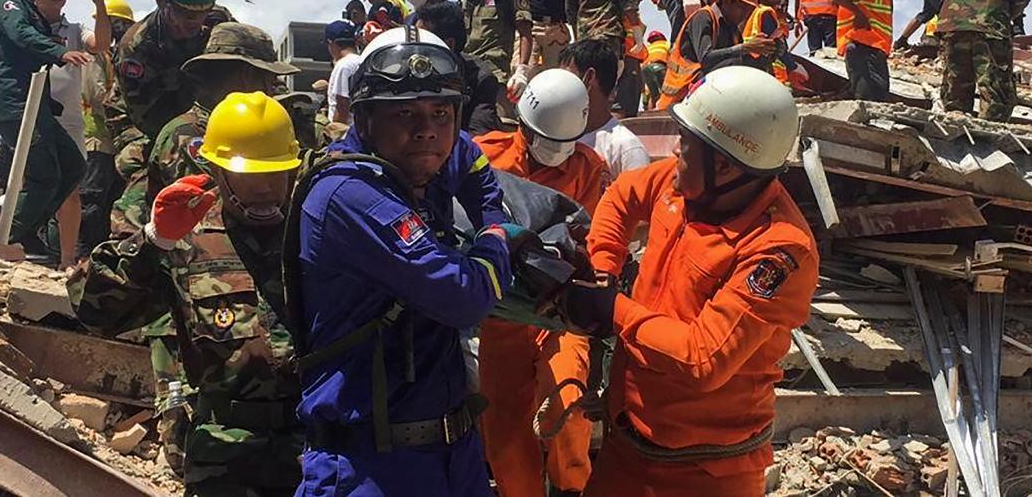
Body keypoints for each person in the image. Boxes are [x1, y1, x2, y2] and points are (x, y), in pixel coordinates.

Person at [566, 66, 819, 497]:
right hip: (626, 449)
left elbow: (702, 360)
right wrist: (603, 270)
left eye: (685, 144)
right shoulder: (686, 184)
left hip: (704, 474)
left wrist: (613, 309)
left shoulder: (779, 251)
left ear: (723, 164)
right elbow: (623, 195)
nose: (674, 152)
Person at [292, 26, 517, 496]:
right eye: (405, 113)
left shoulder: (417, 161)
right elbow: (464, 297)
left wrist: (488, 213)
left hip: (452, 457)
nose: (427, 129)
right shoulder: (352, 194)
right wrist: (496, 239)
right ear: (366, 119)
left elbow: (474, 168)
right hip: (373, 467)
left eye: (441, 111)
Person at [70, 91, 306, 496]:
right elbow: (94, 310)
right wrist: (153, 240)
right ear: (216, 170)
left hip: (315, 449)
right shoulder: (185, 238)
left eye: (276, 173)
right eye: (250, 175)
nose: (266, 188)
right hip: (225, 455)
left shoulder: (317, 230)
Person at [474, 69, 609, 497]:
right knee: (505, 434)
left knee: (568, 410)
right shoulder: (485, 159)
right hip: (504, 316)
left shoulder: (590, 170)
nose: (555, 154)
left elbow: (595, 241)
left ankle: (571, 489)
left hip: (562, 314)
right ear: (522, 124)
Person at [106, 0, 228, 236]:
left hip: (205, 122)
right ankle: (131, 249)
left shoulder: (219, 21)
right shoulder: (137, 47)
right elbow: (154, 124)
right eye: (187, 13)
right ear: (162, 0)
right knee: (145, 187)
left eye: (204, 11)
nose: (197, 22)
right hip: (142, 128)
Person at [0, 0, 92, 261]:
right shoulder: (8, 5)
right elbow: (21, 34)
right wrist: (59, 51)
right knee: (44, 174)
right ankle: (9, 237)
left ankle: (25, 232)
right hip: (15, 104)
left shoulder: (33, 8)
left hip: (37, 107)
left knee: (73, 166)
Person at [147, 21, 299, 201]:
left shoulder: (237, 127)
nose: (273, 90)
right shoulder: (190, 135)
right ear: (247, 76)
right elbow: (218, 207)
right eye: (269, 80)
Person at [35, 0, 110, 268]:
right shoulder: (25, 26)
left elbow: (102, 42)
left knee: (71, 191)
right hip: (32, 116)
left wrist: (100, 4)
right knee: (33, 184)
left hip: (69, 119)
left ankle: (66, 260)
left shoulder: (75, 29)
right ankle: (18, 246)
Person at [657, 0, 773, 109]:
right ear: (728, 1)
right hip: (682, 94)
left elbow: (742, 62)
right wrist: (745, 48)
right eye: (743, 9)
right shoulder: (703, 18)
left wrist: (770, 53)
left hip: (704, 91)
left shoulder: (732, 28)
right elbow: (706, 58)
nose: (746, 15)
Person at [79, 0, 134, 257]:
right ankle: (82, 251)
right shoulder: (95, 56)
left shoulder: (116, 58)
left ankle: (98, 251)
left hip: (113, 141)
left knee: (109, 201)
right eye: (118, 24)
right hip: (96, 139)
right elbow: (95, 94)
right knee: (92, 197)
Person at [559, 39, 651, 180]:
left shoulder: (625, 148)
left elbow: (638, 199)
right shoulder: (554, 138)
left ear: (589, 78)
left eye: (566, 77)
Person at [416, 0, 507, 136]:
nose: (414, 47)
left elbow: (479, 135)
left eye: (422, 40)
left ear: (449, 44)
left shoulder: (481, 79)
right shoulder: (407, 70)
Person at [749, 0, 793, 84]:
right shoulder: (765, 12)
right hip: (762, 69)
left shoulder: (770, 11)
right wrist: (793, 67)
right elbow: (778, 46)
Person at [324, 20, 361, 125]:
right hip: (359, 131)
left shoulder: (343, 66)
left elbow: (342, 106)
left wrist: (335, 136)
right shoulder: (363, 60)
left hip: (345, 134)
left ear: (332, 43)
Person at [642, 30, 670, 111]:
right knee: (666, 94)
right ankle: (664, 111)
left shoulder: (648, 48)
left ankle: (650, 112)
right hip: (659, 67)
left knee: (653, 94)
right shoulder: (666, 44)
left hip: (645, 69)